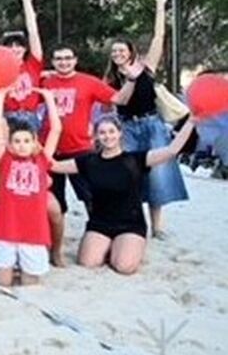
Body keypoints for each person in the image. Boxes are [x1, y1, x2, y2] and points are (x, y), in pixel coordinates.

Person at [51, 116, 195, 275]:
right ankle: (109, 246)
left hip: (130, 224)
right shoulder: (88, 161)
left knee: (123, 267)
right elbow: (55, 166)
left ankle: (126, 246)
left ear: (120, 133)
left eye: (112, 131)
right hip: (100, 224)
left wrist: (191, 122)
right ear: (96, 136)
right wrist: (33, 145)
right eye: (102, 132)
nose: (108, 136)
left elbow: (171, 151)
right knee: (87, 263)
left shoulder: (136, 159)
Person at [102, 0, 185, 237]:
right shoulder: (109, 79)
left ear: (131, 51)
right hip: (126, 128)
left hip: (152, 124)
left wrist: (160, 5)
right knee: (129, 176)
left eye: (122, 50)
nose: (118, 54)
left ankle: (157, 227)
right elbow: (111, 106)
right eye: (114, 52)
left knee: (158, 175)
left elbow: (159, 37)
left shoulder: (145, 69)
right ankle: (133, 222)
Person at [41, 44, 133, 255]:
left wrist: (132, 79)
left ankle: (105, 238)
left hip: (81, 150)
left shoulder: (88, 81)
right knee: (54, 203)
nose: (63, 62)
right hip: (50, 150)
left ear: (75, 60)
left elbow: (120, 99)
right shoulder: (45, 81)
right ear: (53, 62)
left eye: (67, 58)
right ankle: (55, 246)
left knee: (92, 197)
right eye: (58, 59)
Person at [0, 87, 62, 286]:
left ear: (34, 142)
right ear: (10, 144)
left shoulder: (42, 159)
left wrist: (48, 98)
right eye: (17, 141)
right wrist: (2, 95)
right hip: (6, 230)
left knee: (31, 282)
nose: (21, 145)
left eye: (27, 141)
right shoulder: (6, 159)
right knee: (2, 281)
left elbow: (56, 129)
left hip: (34, 232)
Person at [0, 0, 46, 130]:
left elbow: (33, 33)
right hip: (9, 117)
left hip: (30, 116)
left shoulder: (33, 64)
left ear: (25, 49)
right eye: (10, 46)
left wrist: (27, 3)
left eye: (18, 45)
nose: (15, 49)